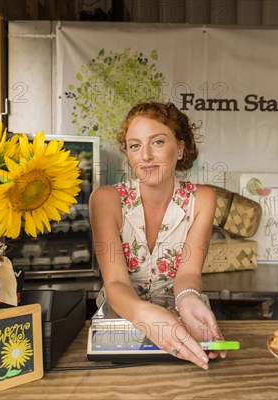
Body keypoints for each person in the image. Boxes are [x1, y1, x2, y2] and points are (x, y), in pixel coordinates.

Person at [89, 102, 225, 370]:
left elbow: (188, 274)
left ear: (181, 148)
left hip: (180, 321)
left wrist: (188, 299)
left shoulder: (202, 199)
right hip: (122, 320)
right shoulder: (105, 200)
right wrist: (146, 315)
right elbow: (115, 282)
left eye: (158, 142)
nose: (146, 156)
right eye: (135, 145)